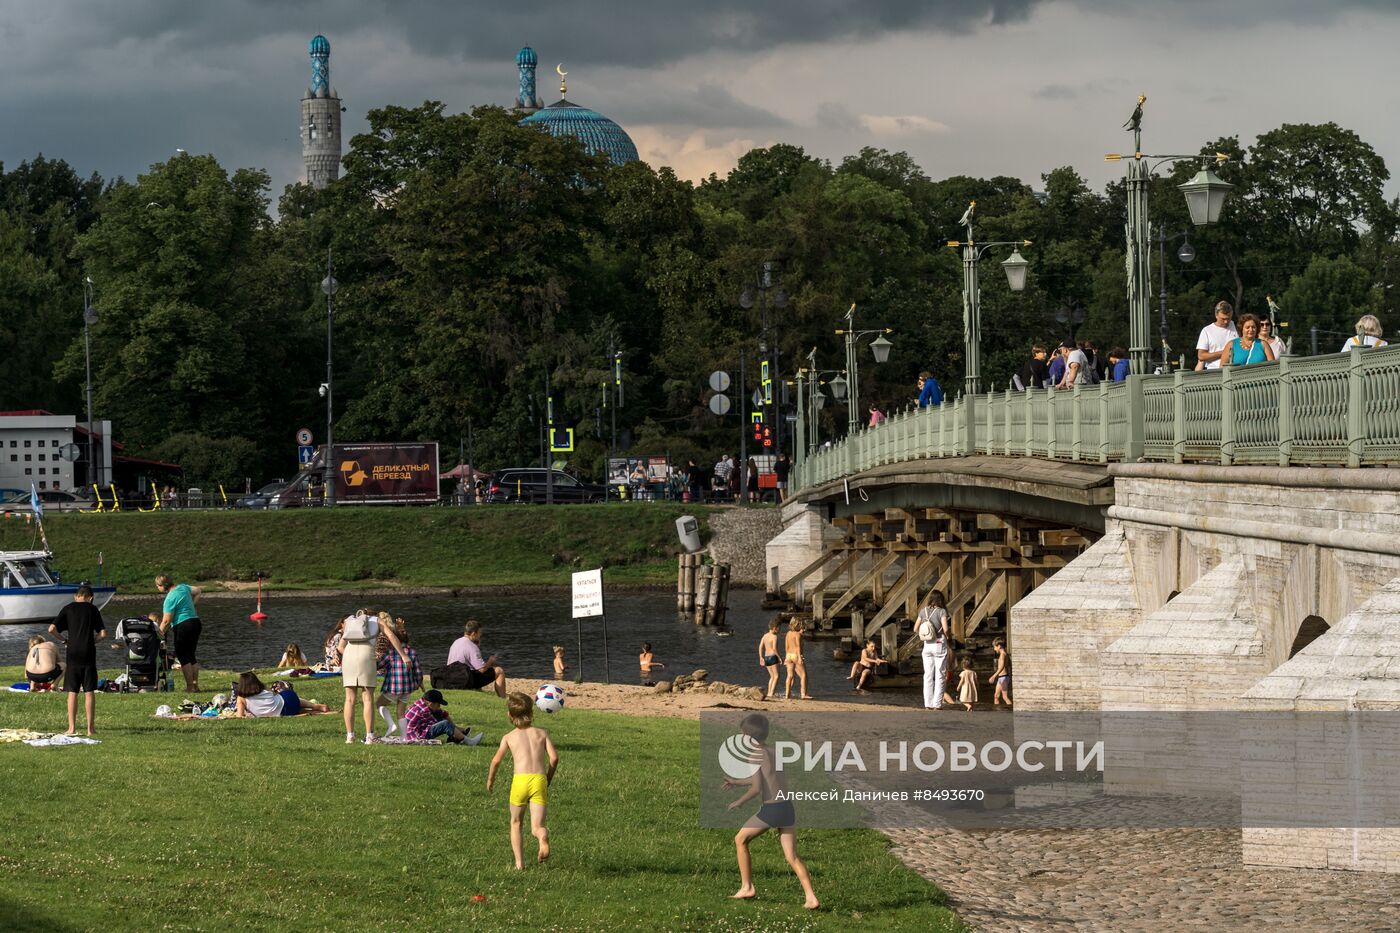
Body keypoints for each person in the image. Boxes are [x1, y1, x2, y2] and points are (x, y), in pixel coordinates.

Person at [722, 712, 819, 910]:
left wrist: (739, 801)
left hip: (772, 809)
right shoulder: (775, 751)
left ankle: (747, 887)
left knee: (740, 840)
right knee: (792, 856)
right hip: (786, 808)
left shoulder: (754, 754)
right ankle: (811, 898)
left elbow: (757, 787)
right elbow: (766, 778)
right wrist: (737, 782)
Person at [486, 692, 560, 869]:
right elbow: (554, 758)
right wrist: (548, 777)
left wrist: (490, 780)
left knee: (516, 822)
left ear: (509, 715)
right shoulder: (542, 734)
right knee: (537, 826)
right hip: (539, 780)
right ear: (532, 713)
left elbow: (496, 761)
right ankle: (542, 837)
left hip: (520, 781)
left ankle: (519, 864)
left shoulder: (509, 737)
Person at [339, 609, 410, 744]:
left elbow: (340, 646)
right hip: (366, 654)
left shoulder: (349, 621)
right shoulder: (376, 620)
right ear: (372, 614)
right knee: (367, 698)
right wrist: (403, 655)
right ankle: (369, 735)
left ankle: (350, 736)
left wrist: (351, 656)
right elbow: (391, 636)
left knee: (349, 699)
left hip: (349, 655)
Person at [49, 585, 106, 736]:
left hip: (72, 652)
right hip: (88, 652)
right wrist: (93, 641)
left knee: (72, 691)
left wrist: (64, 641)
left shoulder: (68, 608)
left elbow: (51, 629)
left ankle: (72, 728)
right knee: (89, 691)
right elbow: (103, 633)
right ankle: (90, 729)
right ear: (91, 598)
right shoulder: (92, 609)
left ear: (76, 596)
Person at [376, 617, 423, 736]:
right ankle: (404, 738)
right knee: (401, 713)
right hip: (407, 688)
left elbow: (379, 665)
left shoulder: (391, 652)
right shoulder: (412, 652)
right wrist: (418, 683)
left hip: (394, 687)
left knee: (379, 704)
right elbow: (417, 671)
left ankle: (391, 725)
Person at [155, 574, 203, 692]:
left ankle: (190, 687)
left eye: (157, 586)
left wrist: (158, 634)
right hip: (195, 622)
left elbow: (166, 621)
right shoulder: (183, 587)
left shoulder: (170, 598)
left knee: (183, 656)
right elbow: (198, 591)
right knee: (191, 655)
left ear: (162, 585)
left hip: (183, 626)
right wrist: (192, 605)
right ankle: (195, 686)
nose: (157, 588)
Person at [446, 620, 508, 698]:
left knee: (474, 670)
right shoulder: (471, 646)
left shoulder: (456, 642)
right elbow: (482, 669)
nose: (480, 635)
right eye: (479, 633)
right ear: (473, 634)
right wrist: (490, 661)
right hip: (465, 680)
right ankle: (502, 698)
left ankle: (479, 690)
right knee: (499, 671)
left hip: (452, 677)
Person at [233, 671, 328, 717]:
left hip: (285, 712)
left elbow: (239, 716)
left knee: (287, 705)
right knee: (283, 698)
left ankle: (312, 708)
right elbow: (274, 694)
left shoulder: (241, 698)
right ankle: (314, 706)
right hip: (290, 699)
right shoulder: (262, 687)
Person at [404, 688, 481, 744]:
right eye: (438, 704)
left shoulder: (422, 702)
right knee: (445, 724)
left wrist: (456, 728)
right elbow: (440, 724)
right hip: (416, 736)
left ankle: (455, 737)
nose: (439, 706)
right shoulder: (423, 710)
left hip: (416, 730)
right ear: (431, 703)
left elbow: (443, 713)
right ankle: (469, 741)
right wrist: (457, 728)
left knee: (441, 715)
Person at [917, 591, 951, 710]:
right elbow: (945, 629)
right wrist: (949, 636)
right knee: (940, 674)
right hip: (939, 643)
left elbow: (916, 628)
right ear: (941, 599)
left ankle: (928, 704)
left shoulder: (923, 611)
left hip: (927, 644)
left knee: (928, 675)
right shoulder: (942, 611)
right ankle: (937, 704)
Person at [1196, 300, 1238, 370]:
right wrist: (1224, 353)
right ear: (1216, 315)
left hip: (1235, 369)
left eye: (1229, 318)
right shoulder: (1207, 331)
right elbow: (1201, 356)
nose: (1226, 321)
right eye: (1223, 319)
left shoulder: (1237, 327)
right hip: (1215, 371)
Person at [783, 620, 811, 700]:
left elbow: (786, 646)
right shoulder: (797, 634)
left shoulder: (788, 633)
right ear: (797, 626)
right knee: (803, 675)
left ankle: (787, 695)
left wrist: (786, 656)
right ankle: (803, 694)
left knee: (790, 676)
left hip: (788, 655)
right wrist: (799, 657)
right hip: (795, 655)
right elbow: (798, 647)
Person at [758, 620, 781, 699]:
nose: (779, 630)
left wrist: (761, 657)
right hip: (773, 657)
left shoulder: (765, 636)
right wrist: (779, 657)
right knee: (776, 676)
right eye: (778, 628)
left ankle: (769, 692)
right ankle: (771, 693)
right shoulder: (774, 636)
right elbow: (774, 648)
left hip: (766, 657)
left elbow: (760, 647)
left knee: (772, 676)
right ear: (774, 628)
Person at [989, 637, 1012, 709]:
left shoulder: (1002, 655)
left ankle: (1012, 709)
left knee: (1005, 697)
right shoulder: (1006, 654)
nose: (994, 649)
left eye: (994, 647)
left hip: (1003, 677)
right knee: (996, 696)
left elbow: (1001, 667)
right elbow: (1009, 665)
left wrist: (993, 676)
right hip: (1002, 677)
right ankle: (997, 710)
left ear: (999, 646)